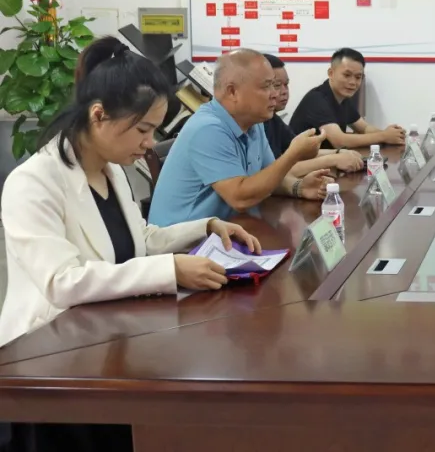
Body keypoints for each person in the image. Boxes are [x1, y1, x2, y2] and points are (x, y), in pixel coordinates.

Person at [0, 37, 260, 348]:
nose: (150, 143)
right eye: (142, 130)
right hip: (45, 347)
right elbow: (62, 282)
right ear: (99, 115)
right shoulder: (32, 183)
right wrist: (170, 270)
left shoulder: (112, 170)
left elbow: (141, 239)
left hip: (107, 334)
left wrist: (206, 227)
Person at [148, 49, 332, 226]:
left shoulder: (253, 122)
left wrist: (299, 187)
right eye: (266, 86)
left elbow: (268, 178)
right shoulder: (208, 129)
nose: (275, 94)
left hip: (225, 229)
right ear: (232, 92)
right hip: (184, 241)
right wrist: (293, 154)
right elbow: (240, 198)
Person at [262, 54, 364, 176]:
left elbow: (298, 153)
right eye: (276, 85)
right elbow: (275, 171)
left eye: (286, 85)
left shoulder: (274, 120)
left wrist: (338, 153)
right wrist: (332, 159)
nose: (284, 92)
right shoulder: (316, 98)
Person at [289, 48, 406, 149]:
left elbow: (364, 128)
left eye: (358, 77)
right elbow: (339, 141)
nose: (353, 82)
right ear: (331, 73)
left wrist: (393, 134)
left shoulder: (343, 98)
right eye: (347, 75)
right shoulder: (316, 99)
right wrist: (384, 136)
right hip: (302, 164)